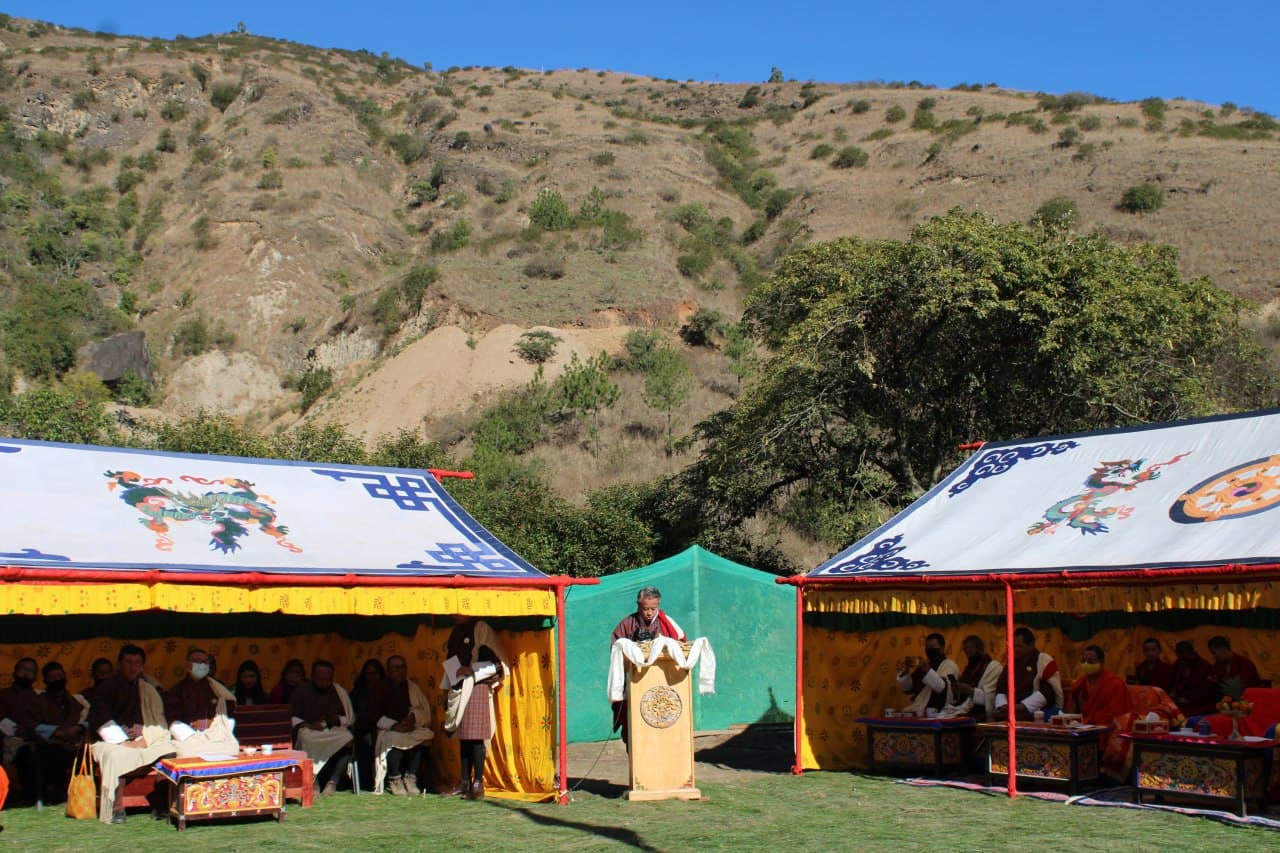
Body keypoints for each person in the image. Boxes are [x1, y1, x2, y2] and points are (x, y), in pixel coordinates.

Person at [88, 644, 174, 824]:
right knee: (116, 754)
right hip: (109, 741)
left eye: (137, 663)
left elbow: (157, 719)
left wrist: (146, 736)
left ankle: (161, 804)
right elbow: (100, 720)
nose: (132, 667)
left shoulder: (147, 689)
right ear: (120, 663)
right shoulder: (106, 688)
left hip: (142, 739)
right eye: (128, 662)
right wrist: (124, 741)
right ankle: (116, 807)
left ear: (142, 666)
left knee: (169, 749)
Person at [443, 615, 508, 800]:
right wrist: (446, 688)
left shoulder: (482, 630)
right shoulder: (456, 632)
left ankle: (478, 784)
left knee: (476, 736)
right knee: (463, 736)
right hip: (459, 686)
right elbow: (451, 661)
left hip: (477, 685)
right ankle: (464, 783)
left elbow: (496, 664)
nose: (455, 614)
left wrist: (472, 669)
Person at [610, 587, 685, 740]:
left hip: (662, 685)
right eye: (645, 609)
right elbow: (615, 649)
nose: (649, 613)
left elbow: (681, 646)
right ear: (638, 605)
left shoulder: (666, 623)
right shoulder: (627, 624)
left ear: (658, 605)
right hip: (634, 683)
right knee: (633, 731)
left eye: (653, 608)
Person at [364, 655, 433, 795]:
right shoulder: (380, 687)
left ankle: (410, 777)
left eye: (402, 667)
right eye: (396, 668)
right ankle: (394, 778)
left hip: (408, 727)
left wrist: (412, 719)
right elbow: (372, 714)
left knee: (426, 736)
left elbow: (422, 710)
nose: (400, 671)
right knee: (393, 739)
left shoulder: (412, 687)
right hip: (386, 728)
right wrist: (394, 726)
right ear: (389, 670)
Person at [290, 660, 354, 797]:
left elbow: (348, 718)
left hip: (331, 730)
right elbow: (292, 717)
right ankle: (313, 780)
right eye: (320, 678)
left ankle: (333, 781)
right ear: (313, 676)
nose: (324, 681)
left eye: (327, 678)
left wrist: (336, 719)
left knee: (348, 738)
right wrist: (307, 724)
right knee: (305, 737)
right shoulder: (302, 690)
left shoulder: (338, 691)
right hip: (309, 729)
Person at [164, 647, 238, 758]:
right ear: (187, 665)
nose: (202, 665)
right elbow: (171, 718)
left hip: (215, 737)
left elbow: (228, 710)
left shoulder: (216, 688)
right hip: (190, 738)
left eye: (205, 662)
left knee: (232, 748)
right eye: (198, 661)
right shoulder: (178, 690)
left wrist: (218, 728)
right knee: (186, 752)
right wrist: (189, 734)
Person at [34, 661, 87, 805]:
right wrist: (58, 732)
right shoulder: (39, 701)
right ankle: (56, 791)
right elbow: (33, 724)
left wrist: (79, 728)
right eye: (53, 677)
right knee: (54, 753)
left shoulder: (76, 699)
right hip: (51, 743)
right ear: (46, 681)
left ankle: (81, 791)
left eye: (60, 676)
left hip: (75, 740)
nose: (58, 680)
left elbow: (89, 718)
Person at [1066, 645, 1132, 754]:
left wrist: (1088, 721)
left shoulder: (1114, 684)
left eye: (1091, 661)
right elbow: (1072, 710)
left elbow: (1116, 715)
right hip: (1083, 728)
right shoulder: (1080, 683)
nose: (1086, 664)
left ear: (1102, 661)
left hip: (1104, 729)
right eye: (1084, 661)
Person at [0, 658, 44, 803]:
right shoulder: (3, 695)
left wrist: (29, 731)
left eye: (30, 671)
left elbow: (44, 722)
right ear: (14, 672)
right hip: (6, 738)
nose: (25, 674)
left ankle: (34, 796)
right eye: (22, 669)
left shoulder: (40, 697)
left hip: (33, 738)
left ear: (36, 677)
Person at [997, 627, 1063, 720]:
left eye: (1019, 646)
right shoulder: (1011, 663)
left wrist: (1022, 706)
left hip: (1036, 713)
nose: (1015, 649)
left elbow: (1049, 691)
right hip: (1010, 711)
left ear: (1031, 645)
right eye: (1013, 646)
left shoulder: (1044, 660)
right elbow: (1001, 688)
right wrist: (1003, 706)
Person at [895, 633, 960, 715]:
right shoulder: (924, 665)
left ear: (942, 648)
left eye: (932, 647)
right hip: (918, 709)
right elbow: (908, 689)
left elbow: (942, 688)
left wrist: (927, 669)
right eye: (927, 647)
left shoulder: (950, 665)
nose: (929, 650)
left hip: (939, 712)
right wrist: (906, 671)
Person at [941, 635, 1002, 720]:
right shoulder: (969, 668)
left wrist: (970, 691)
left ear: (979, 648)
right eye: (966, 651)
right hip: (964, 708)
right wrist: (957, 689)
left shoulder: (993, 667)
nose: (968, 653)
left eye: (970, 649)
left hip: (980, 713)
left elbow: (990, 699)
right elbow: (961, 698)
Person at [1169, 640, 1217, 717]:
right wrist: (1174, 693)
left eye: (1185, 658)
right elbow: (1172, 684)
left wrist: (1189, 698)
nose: (1183, 661)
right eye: (1180, 658)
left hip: (1199, 705)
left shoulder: (1205, 667)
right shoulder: (1178, 664)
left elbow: (1208, 693)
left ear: (1192, 653)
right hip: (1180, 703)